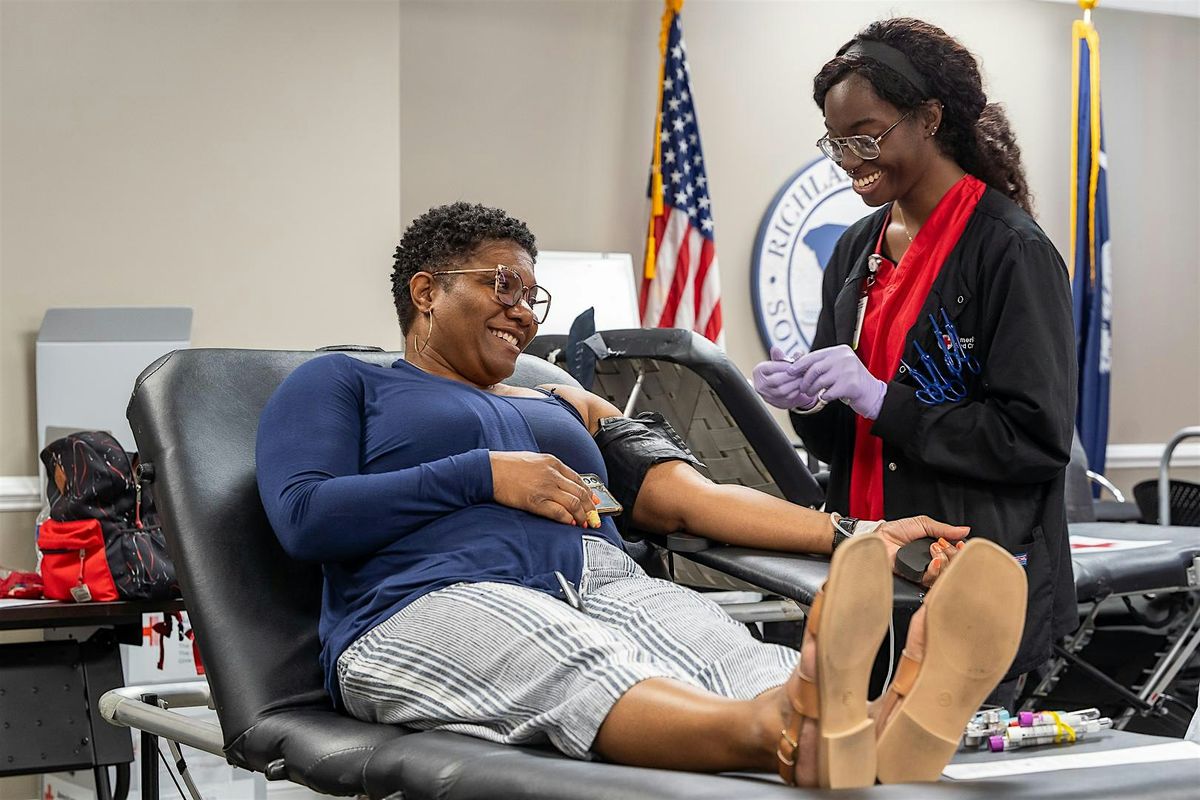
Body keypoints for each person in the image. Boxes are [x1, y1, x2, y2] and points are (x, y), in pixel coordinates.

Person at [256, 201, 1026, 788]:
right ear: (426, 291)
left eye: (533, 295)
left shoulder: (558, 401)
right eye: (502, 285)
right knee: (584, 660)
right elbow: (305, 517)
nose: (524, 311)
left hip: (597, 575)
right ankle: (786, 733)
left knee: (722, 649)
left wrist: (859, 534)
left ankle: (864, 730)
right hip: (423, 599)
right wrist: (483, 474)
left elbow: (684, 500)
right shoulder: (343, 383)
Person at [752, 17, 1077, 708]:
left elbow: (1035, 440)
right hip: (864, 577)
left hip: (964, 580)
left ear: (929, 119)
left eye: (866, 136)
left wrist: (882, 400)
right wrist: (809, 403)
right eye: (837, 141)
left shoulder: (1010, 253)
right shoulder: (855, 251)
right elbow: (847, 443)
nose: (848, 158)